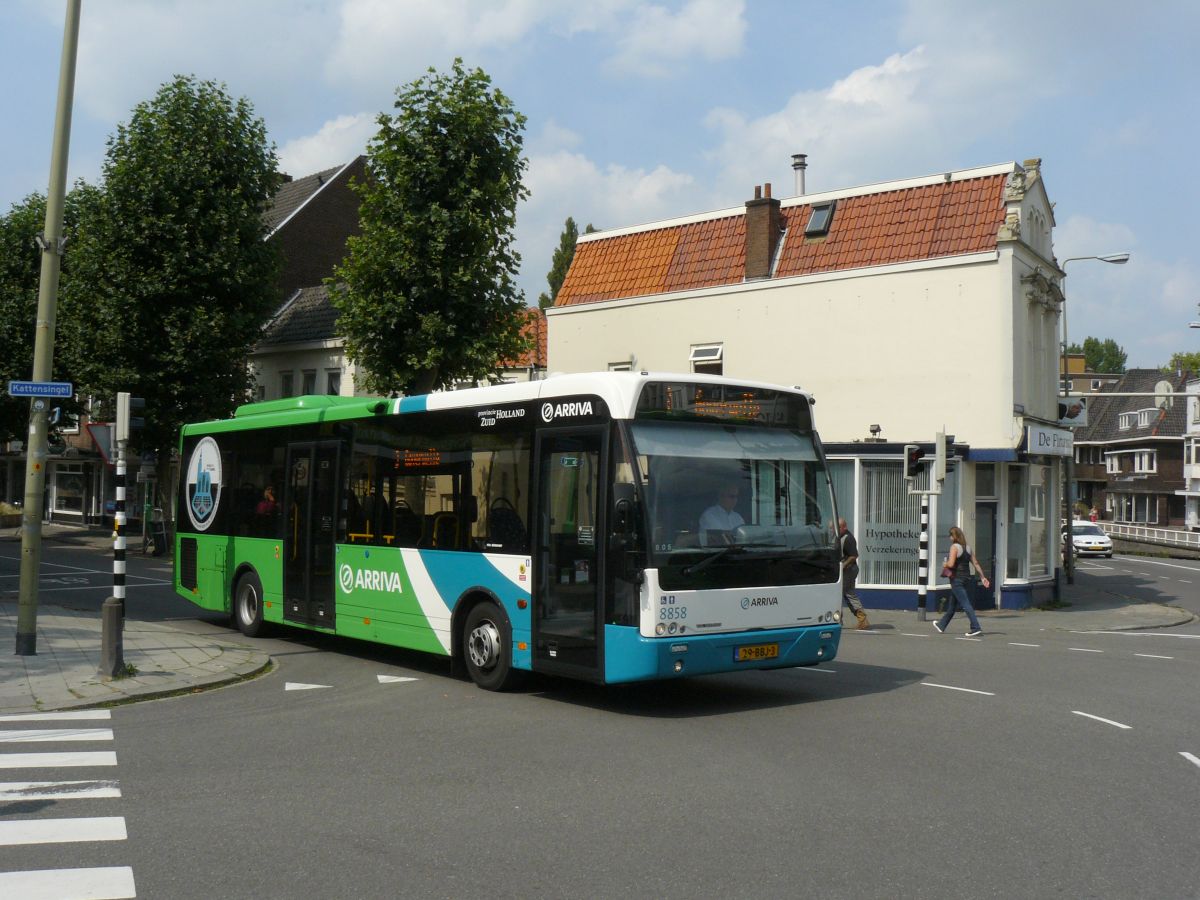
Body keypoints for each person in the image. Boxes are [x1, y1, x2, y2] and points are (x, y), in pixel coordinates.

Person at [934, 525, 990, 637]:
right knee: (952, 605)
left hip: (956, 579)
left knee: (966, 603)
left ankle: (975, 627)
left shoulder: (954, 547)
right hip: (967, 579)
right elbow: (976, 563)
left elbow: (951, 564)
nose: (949, 538)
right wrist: (983, 577)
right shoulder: (968, 548)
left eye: (950, 535)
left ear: (953, 536)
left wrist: (945, 563)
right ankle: (941, 625)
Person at [837, 518, 870, 630]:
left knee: (843, 594)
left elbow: (854, 555)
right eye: (832, 528)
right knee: (847, 593)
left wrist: (843, 566)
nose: (833, 530)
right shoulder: (840, 537)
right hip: (847, 570)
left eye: (836, 528)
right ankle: (862, 620)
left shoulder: (848, 539)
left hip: (848, 570)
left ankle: (840, 621)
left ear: (844, 527)